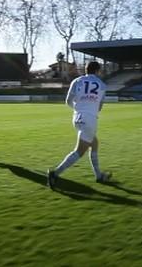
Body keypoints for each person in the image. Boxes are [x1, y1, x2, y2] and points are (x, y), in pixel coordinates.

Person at [47, 61, 111, 189]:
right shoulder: (102, 85)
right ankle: (55, 173)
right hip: (90, 119)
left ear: (86, 70)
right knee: (79, 151)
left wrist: (79, 108)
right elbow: (99, 107)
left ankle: (98, 175)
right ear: (98, 71)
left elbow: (68, 101)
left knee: (94, 143)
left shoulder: (77, 81)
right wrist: (90, 108)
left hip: (77, 118)